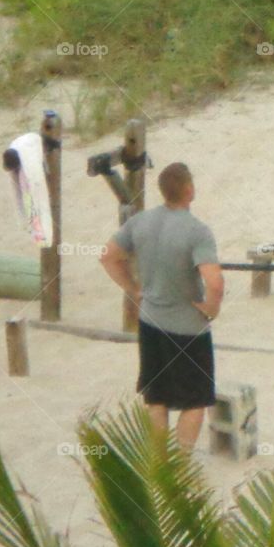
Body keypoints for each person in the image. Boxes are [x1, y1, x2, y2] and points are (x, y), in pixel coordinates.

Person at [100, 162, 224, 449]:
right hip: (188, 329)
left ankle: (159, 462)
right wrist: (211, 308)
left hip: (151, 322)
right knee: (195, 400)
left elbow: (108, 256)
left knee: (157, 397)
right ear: (189, 190)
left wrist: (133, 288)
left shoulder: (140, 222)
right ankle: (180, 463)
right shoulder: (197, 231)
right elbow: (215, 282)